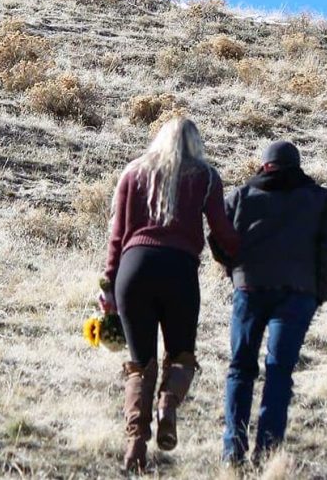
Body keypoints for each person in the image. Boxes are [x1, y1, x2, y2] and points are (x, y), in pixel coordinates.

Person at [100, 117, 240, 472]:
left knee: (139, 363)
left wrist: (108, 286)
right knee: (181, 357)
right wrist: (249, 256)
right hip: (179, 272)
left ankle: (135, 448)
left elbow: (117, 237)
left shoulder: (133, 172)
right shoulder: (206, 177)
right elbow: (223, 231)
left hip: (134, 269)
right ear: (196, 144)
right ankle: (168, 406)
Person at [212, 141, 327, 466]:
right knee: (279, 372)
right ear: (297, 166)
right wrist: (319, 292)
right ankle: (267, 453)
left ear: (264, 164)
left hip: (250, 290)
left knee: (240, 369)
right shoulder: (323, 201)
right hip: (298, 296)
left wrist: (236, 272)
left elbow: (218, 239)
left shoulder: (242, 197)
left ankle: (233, 452)